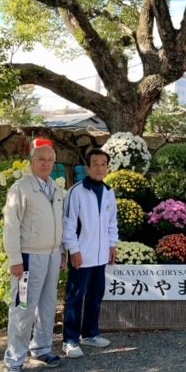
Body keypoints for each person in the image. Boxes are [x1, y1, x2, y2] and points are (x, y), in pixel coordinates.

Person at [3, 139, 66, 372]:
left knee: (48, 305)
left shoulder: (57, 189)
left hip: (51, 257)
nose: (46, 163)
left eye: (50, 159)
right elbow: (11, 226)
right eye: (41, 159)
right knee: (23, 308)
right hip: (28, 258)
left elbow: (60, 223)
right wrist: (15, 259)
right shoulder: (21, 188)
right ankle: (14, 362)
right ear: (31, 161)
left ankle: (41, 349)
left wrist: (61, 252)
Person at [62, 149, 118, 358]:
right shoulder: (76, 191)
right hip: (81, 256)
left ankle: (90, 334)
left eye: (104, 164)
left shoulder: (109, 192)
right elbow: (68, 225)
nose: (100, 167)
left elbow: (112, 223)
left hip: (101, 256)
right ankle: (70, 339)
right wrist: (73, 250)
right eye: (95, 163)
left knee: (95, 296)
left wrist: (112, 246)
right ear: (87, 167)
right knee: (75, 298)